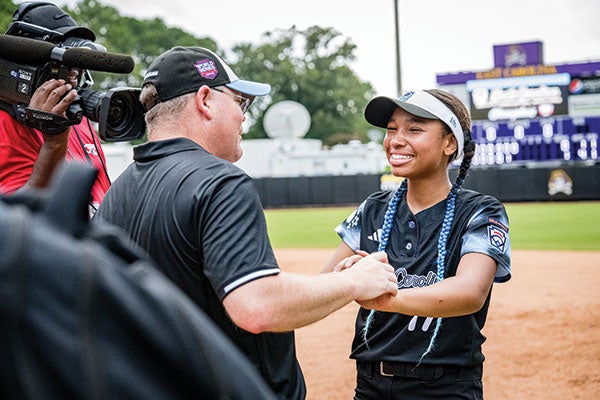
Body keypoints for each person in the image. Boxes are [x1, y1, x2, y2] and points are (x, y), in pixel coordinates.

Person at [92, 46, 398, 400]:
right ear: (205, 100)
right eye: (240, 103)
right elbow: (256, 306)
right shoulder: (220, 181)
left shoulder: (118, 192)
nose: (243, 118)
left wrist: (332, 282)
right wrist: (354, 282)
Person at [323, 89, 512, 400]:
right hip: (370, 385)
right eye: (391, 129)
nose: (396, 140)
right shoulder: (373, 208)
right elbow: (325, 284)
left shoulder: (481, 211)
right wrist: (345, 278)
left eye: (414, 129)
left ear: (449, 142)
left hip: (445, 387)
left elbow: (470, 292)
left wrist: (383, 297)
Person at [0, 1, 110, 214]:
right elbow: (20, 217)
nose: (73, 72)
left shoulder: (77, 116)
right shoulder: (5, 122)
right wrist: (55, 139)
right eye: (61, 61)